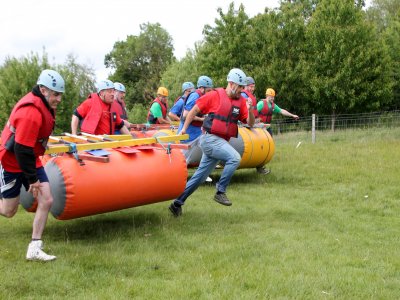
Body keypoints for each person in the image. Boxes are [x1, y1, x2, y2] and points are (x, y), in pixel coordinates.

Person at [169, 68, 255, 217]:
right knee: (234, 158)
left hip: (220, 142)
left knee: (199, 178)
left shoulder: (241, 102)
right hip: (209, 139)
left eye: (243, 87)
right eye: (240, 86)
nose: (242, 90)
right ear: (231, 83)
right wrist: (184, 129)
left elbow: (250, 123)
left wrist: (251, 110)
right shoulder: (214, 95)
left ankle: (176, 203)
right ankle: (220, 191)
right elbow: (194, 110)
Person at [0, 69, 65, 261]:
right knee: (8, 211)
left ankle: (35, 248)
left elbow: (32, 146)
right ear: (43, 90)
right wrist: (32, 180)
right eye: (56, 94)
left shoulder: (45, 105)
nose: (59, 99)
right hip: (11, 162)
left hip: (30, 158)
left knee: (47, 199)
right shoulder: (31, 113)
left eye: (61, 94)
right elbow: (21, 149)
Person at [241, 77, 270, 174]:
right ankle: (259, 167)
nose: (252, 89)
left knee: (263, 140)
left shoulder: (252, 96)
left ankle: (260, 165)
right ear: (245, 86)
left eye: (253, 87)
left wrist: (258, 122)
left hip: (252, 122)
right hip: (244, 123)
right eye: (250, 87)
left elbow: (254, 113)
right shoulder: (242, 95)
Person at [178, 76, 213, 144]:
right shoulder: (195, 96)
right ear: (202, 88)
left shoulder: (202, 96)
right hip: (189, 131)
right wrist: (201, 119)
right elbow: (186, 115)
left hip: (196, 130)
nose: (209, 93)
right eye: (208, 90)